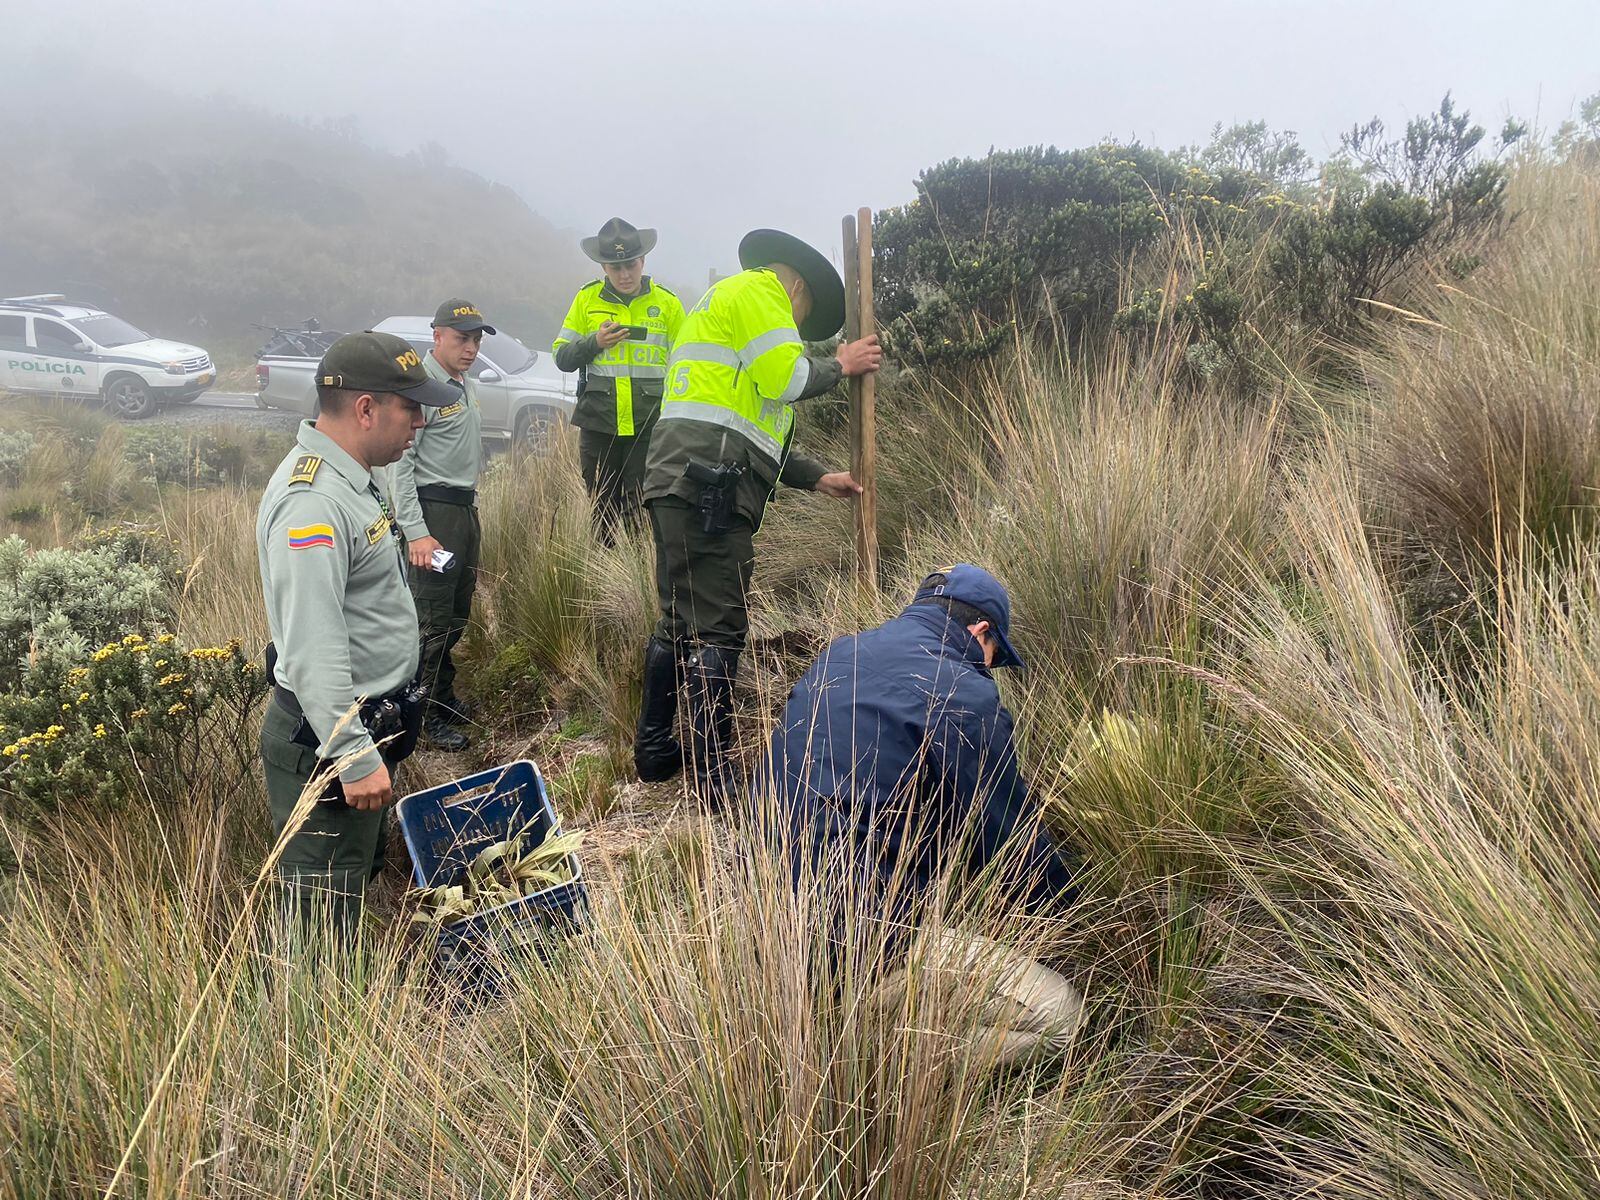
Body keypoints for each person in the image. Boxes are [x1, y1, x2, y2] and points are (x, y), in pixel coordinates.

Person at [756, 564, 1083, 1068]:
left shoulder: (836, 656)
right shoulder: (961, 692)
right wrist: (1080, 921)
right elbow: (1011, 842)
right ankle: (858, 1056)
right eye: (994, 658)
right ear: (980, 633)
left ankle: (827, 1019)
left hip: (765, 921)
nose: (989, 670)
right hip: (857, 947)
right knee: (1061, 1020)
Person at [634, 228, 882, 802]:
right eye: (802, 316)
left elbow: (753, 428)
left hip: (680, 478)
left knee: (678, 618)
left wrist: (817, 476)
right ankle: (713, 777)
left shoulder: (726, 309)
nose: (795, 331)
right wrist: (840, 362)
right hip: (709, 487)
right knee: (720, 628)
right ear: (795, 287)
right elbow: (788, 380)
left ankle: (655, 751)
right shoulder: (762, 292)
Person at [256, 330, 457, 937]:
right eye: (410, 406)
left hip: (357, 729)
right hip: (325, 746)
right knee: (320, 926)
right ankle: (317, 1030)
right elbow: (312, 647)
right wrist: (352, 753)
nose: (420, 422)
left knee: (350, 887)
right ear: (366, 408)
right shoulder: (312, 502)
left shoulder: (352, 478)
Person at [390, 298, 496, 752]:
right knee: (431, 618)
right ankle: (423, 714)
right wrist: (416, 531)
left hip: (461, 511)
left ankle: (443, 696)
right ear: (437, 336)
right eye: (461, 338)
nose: (470, 348)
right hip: (432, 512)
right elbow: (400, 465)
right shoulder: (424, 386)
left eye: (475, 340)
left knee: (455, 613)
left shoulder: (462, 383)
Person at [552, 218, 686, 543]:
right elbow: (561, 357)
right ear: (604, 267)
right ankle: (607, 586)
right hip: (599, 427)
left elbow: (687, 365)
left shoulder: (667, 304)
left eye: (630, 265)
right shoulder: (586, 300)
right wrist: (593, 343)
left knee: (642, 512)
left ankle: (639, 585)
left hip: (649, 428)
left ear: (643, 261)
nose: (625, 274)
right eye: (616, 267)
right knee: (603, 514)